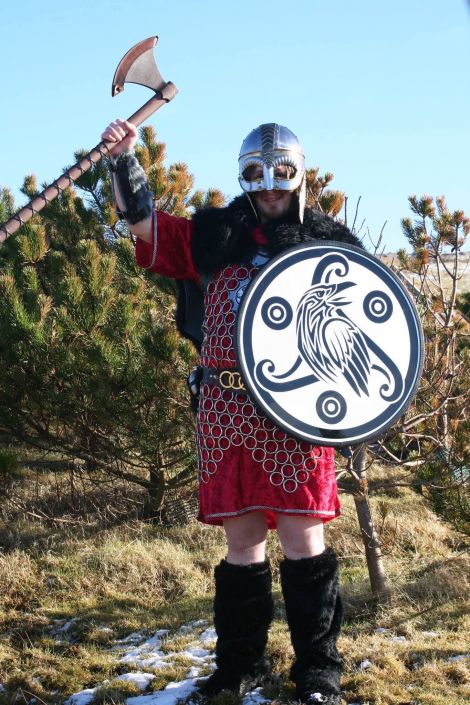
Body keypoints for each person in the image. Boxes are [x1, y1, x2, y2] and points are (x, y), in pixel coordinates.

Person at [101, 119, 363, 705]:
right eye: (255, 173)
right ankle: (238, 667)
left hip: (296, 410)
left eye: (281, 173)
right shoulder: (214, 236)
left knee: (303, 540)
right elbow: (145, 228)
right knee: (241, 544)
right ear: (242, 177)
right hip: (224, 407)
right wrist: (124, 159)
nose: (269, 185)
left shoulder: (330, 243)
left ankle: (318, 671)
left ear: (299, 175)